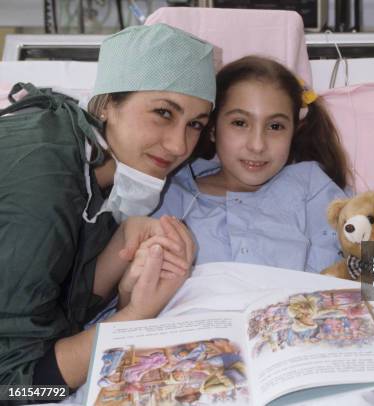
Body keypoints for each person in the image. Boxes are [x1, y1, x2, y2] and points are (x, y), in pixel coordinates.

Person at [0, 23, 216, 388]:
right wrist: (135, 316)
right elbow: (18, 385)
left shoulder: (89, 161)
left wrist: (120, 248)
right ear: (107, 103)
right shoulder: (45, 181)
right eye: (163, 113)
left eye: (194, 124)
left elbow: (55, 313)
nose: (180, 146)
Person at [155, 56, 350, 273]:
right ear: (212, 128)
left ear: (294, 131)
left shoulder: (313, 189)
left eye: (275, 126)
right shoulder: (170, 194)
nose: (257, 145)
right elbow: (138, 294)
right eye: (240, 123)